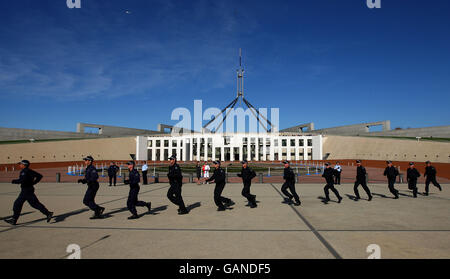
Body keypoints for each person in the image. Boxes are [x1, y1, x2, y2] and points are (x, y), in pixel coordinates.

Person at [4, 160, 53, 226]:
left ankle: (14, 219)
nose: (19, 165)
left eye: (20, 164)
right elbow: (39, 176)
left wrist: (13, 181)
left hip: (26, 190)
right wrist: (34, 182)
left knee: (17, 204)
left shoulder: (24, 171)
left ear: (24, 165)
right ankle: (48, 213)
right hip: (28, 189)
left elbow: (22, 180)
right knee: (34, 204)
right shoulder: (29, 170)